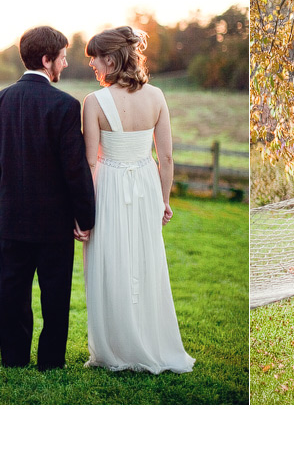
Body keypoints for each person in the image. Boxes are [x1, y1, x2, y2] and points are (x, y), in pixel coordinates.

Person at [81, 26, 194, 373]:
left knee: (108, 262)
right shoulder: (157, 96)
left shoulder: (93, 102)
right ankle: (148, 340)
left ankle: (114, 349)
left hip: (109, 185)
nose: (92, 67)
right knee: (145, 262)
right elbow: (167, 158)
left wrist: (81, 212)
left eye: (94, 60)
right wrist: (163, 200)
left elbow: (88, 161)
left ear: (111, 59)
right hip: (145, 186)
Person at [0, 26, 95, 371]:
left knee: (12, 290)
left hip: (13, 217)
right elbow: (74, 169)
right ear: (46, 60)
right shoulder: (65, 105)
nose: (64, 63)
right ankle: (50, 361)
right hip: (53, 221)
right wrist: (85, 217)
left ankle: (13, 360)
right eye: (61, 57)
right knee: (55, 293)